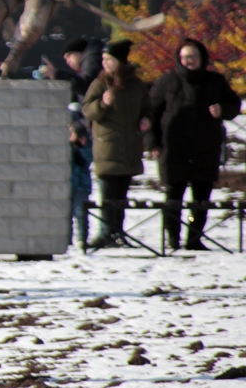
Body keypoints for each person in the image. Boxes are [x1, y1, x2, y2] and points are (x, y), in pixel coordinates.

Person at [147, 39, 242, 250]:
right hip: (174, 149)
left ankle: (194, 238)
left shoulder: (214, 81)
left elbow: (234, 104)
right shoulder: (167, 81)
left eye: (194, 57)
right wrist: (152, 142)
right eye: (186, 57)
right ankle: (172, 237)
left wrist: (222, 110)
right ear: (179, 59)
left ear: (202, 58)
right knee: (173, 197)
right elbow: (151, 112)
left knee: (201, 199)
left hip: (205, 149)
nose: (190, 61)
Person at [82, 40, 149, 250]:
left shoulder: (136, 85)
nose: (105, 64)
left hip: (129, 147)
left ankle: (118, 233)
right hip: (107, 148)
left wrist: (147, 119)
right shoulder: (100, 83)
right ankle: (106, 233)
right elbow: (87, 110)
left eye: (109, 60)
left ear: (120, 62)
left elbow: (148, 107)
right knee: (108, 196)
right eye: (103, 60)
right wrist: (102, 104)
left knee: (122, 196)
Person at [38, 37, 104, 103]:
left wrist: (57, 74)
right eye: (66, 60)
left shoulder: (92, 60)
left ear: (79, 52)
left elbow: (86, 86)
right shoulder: (89, 62)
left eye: (69, 56)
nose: (68, 62)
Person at [69, 119, 93, 251]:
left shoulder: (86, 146)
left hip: (81, 185)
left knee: (81, 213)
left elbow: (89, 159)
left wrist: (83, 146)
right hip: (68, 184)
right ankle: (67, 240)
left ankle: (82, 239)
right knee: (68, 214)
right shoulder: (68, 147)